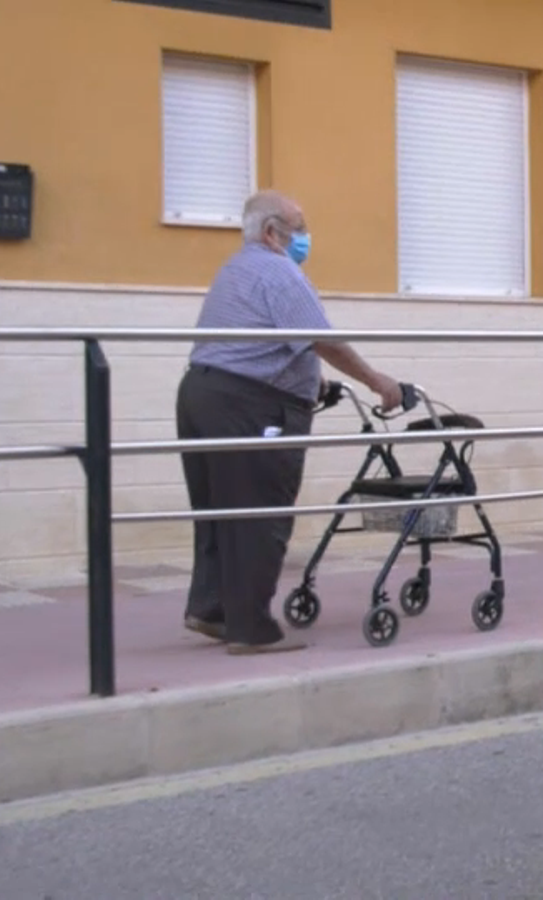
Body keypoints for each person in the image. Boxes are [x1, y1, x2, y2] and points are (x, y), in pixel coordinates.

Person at [177, 189, 404, 655]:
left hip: (202, 396)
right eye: (298, 227)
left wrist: (310, 381)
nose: (305, 236)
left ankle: (211, 608)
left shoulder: (236, 268)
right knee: (260, 512)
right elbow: (321, 339)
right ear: (271, 232)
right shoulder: (279, 270)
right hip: (249, 406)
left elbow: (259, 339)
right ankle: (252, 629)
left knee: (220, 512)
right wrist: (376, 380)